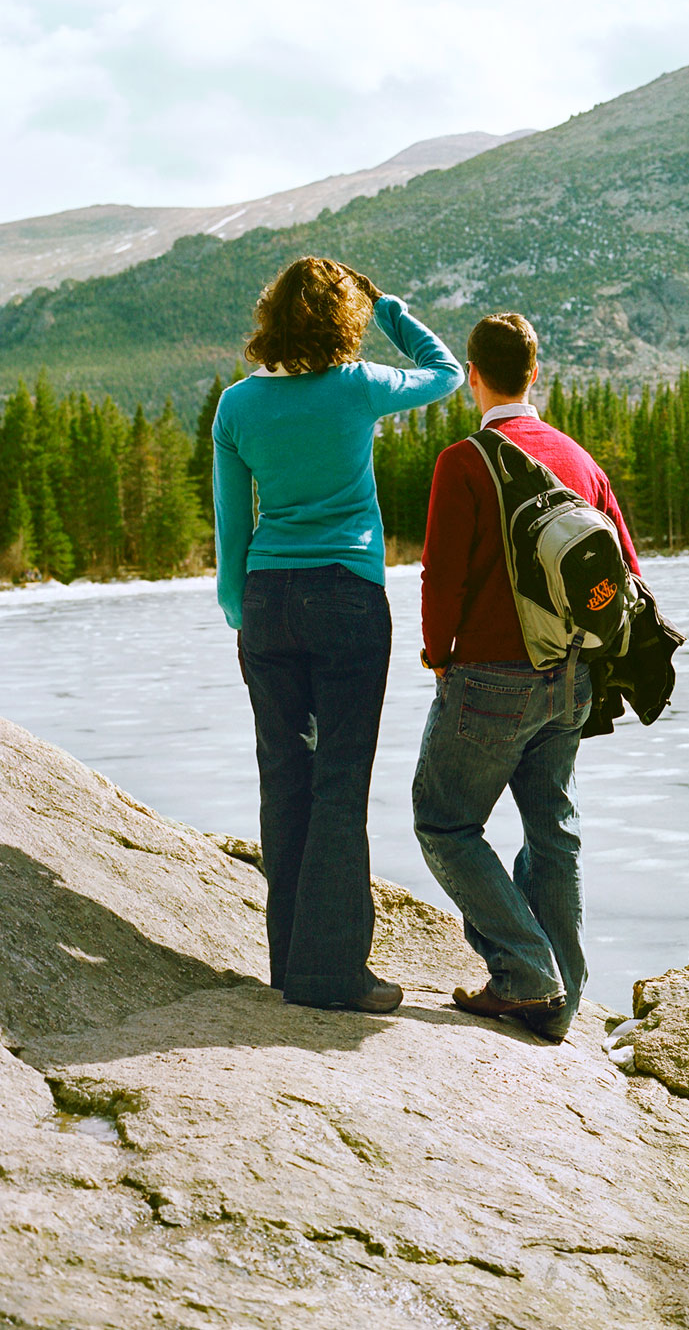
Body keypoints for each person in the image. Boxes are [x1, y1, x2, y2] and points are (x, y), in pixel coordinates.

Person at [213, 256, 463, 1013]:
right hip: (348, 596)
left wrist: (239, 612)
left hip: (266, 599)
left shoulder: (236, 406)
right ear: (341, 320)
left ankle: (290, 964)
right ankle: (335, 974)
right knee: (339, 781)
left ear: (270, 319)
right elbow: (446, 372)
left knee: (284, 777)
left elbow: (232, 526)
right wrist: (392, 309)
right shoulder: (358, 387)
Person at [413, 311, 641, 1042]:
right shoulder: (578, 459)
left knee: (445, 821)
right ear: (535, 373)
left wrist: (437, 654)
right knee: (553, 830)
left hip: (488, 679)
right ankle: (562, 1001)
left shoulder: (464, 460)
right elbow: (629, 574)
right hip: (571, 678)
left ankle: (523, 971)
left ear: (473, 376)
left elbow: (441, 577)